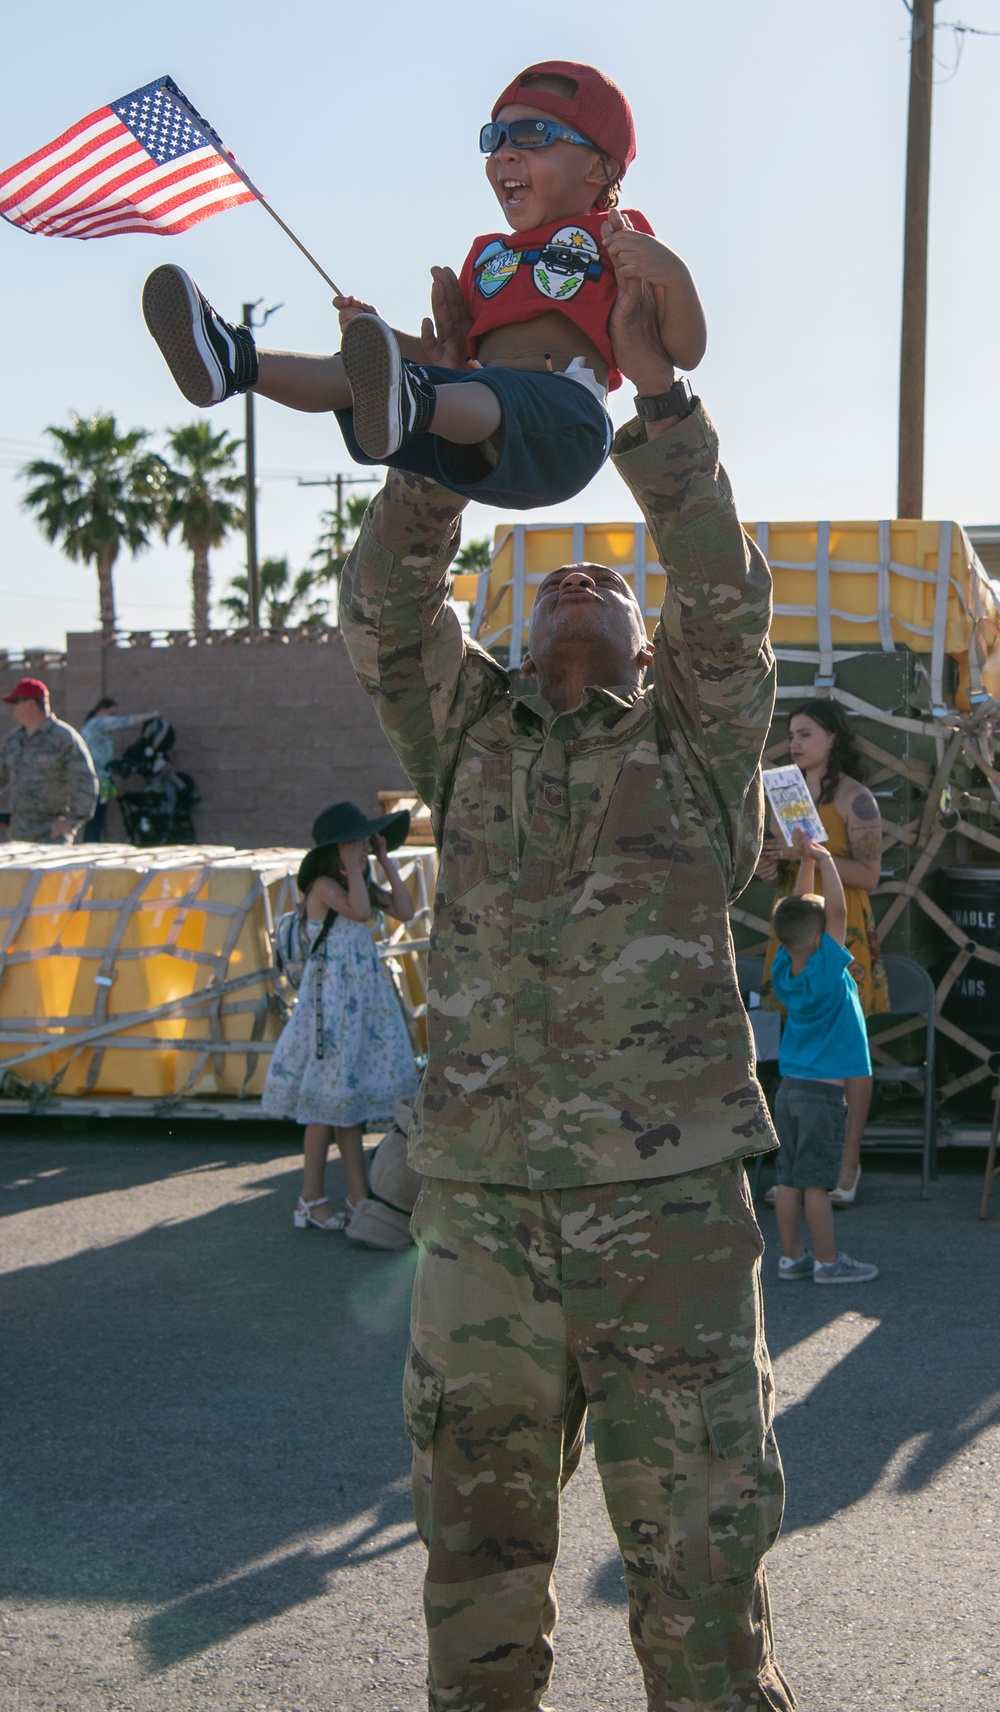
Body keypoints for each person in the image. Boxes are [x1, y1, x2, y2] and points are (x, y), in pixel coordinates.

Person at [338, 271, 793, 1709]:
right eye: (554, 582)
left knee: (702, 1555)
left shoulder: (699, 749)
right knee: (473, 1549)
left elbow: (723, 598)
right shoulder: (463, 732)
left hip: (668, 1216)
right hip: (478, 1214)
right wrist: (433, 436)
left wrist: (658, 407)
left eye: (609, 582)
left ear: (648, 651)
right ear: (517, 640)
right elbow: (388, 608)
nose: (580, 585)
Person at [141, 59, 706, 512]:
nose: (505, 152)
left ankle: (410, 401)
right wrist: (385, 342)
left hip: (565, 426)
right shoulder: (489, 256)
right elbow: (455, 358)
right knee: (358, 377)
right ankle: (234, 362)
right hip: (468, 432)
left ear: (600, 168)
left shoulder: (617, 237)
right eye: (496, 137)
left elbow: (683, 351)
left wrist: (671, 274)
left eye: (534, 134)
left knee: (478, 395)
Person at [262, 801, 419, 1231]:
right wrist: (352, 868)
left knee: (344, 1102)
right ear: (338, 848)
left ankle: (357, 1195)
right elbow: (361, 912)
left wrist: (384, 862)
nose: (364, 848)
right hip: (330, 1004)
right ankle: (310, 1198)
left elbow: (404, 911)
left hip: (359, 999)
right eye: (357, 842)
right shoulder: (323, 885)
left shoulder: (360, 879)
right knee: (325, 1101)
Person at [758, 700, 885, 1204]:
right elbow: (778, 860)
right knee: (801, 1044)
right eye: (792, 734)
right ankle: (802, 1166)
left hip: (840, 925)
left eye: (806, 733)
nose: (796, 742)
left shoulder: (858, 800)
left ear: (833, 737)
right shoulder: (783, 792)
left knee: (848, 1050)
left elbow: (871, 876)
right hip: (795, 919)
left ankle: (846, 1165)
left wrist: (809, 855)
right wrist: (773, 863)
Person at [769, 831, 879, 1286]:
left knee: (789, 1182)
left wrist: (807, 864)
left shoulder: (784, 965)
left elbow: (802, 911)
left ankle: (791, 1257)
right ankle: (829, 1262)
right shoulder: (827, 969)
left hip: (790, 1089)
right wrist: (828, 859)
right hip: (822, 1097)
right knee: (817, 1184)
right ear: (820, 940)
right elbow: (836, 912)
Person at [0, 677, 98, 843]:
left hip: (51, 836)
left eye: (16, 702)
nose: (12, 708)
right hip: (18, 835)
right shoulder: (14, 741)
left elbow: (85, 782)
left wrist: (71, 821)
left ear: (31, 704)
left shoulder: (63, 738)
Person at [79, 698, 159, 841]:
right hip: (95, 778)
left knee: (98, 814)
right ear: (102, 710)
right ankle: (91, 843)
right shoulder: (98, 723)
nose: (113, 716)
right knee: (95, 816)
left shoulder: (94, 724)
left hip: (100, 777)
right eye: (112, 713)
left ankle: (93, 841)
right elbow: (125, 721)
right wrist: (152, 715)